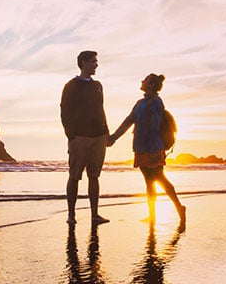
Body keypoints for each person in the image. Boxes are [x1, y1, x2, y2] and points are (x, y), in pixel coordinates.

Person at [108, 73, 186, 223]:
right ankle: (152, 215)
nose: (141, 81)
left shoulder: (156, 102)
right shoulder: (139, 103)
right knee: (149, 182)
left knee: (160, 179)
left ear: (151, 85)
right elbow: (128, 121)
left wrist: (149, 142)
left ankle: (179, 207)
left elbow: (155, 127)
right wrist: (113, 137)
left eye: (145, 80)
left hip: (153, 148)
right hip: (140, 148)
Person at [61, 50, 110, 225]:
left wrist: (107, 132)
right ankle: (71, 215)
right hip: (79, 137)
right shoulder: (71, 85)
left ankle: (95, 215)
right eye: (93, 61)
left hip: (99, 137)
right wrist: (70, 134)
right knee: (74, 176)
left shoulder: (98, 85)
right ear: (83, 62)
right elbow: (64, 110)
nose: (96, 64)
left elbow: (101, 109)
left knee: (94, 176)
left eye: (96, 61)